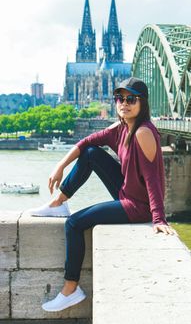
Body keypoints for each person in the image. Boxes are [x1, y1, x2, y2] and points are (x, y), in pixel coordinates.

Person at [29, 77, 176, 312]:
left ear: (142, 103)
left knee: (74, 224)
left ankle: (70, 289)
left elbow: (153, 179)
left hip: (137, 206)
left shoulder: (143, 132)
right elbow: (86, 142)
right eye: (120, 98)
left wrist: (158, 218)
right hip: (125, 191)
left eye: (131, 99)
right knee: (90, 153)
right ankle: (59, 202)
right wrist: (60, 165)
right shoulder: (121, 128)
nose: (124, 103)